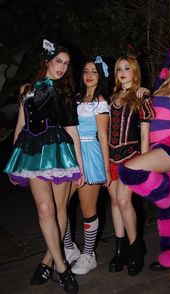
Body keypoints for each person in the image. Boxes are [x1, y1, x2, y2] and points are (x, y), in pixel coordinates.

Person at [4, 39, 84, 294]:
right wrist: (14, 163)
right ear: (47, 61)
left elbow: (72, 131)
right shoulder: (26, 89)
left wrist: (79, 167)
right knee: (45, 208)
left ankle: (47, 261)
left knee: (60, 209)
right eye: (58, 61)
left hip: (59, 150)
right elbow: (20, 124)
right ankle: (62, 267)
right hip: (32, 151)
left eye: (66, 64)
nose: (62, 67)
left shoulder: (66, 93)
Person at [118, 48, 170, 271]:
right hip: (155, 147)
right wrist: (144, 93)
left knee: (128, 171)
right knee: (169, 208)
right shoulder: (158, 88)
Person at [63, 56, 111, 275]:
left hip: (90, 154)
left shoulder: (100, 101)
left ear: (100, 76)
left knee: (87, 209)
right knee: (58, 206)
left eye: (94, 71)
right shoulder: (75, 98)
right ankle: (70, 247)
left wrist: (107, 170)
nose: (89, 75)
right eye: (86, 71)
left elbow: (102, 135)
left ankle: (89, 255)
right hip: (69, 155)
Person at [108, 55, 155, 276]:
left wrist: (145, 164)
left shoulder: (142, 98)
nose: (123, 72)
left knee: (124, 201)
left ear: (135, 71)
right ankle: (120, 250)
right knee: (114, 203)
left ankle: (136, 247)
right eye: (119, 69)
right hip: (110, 157)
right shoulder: (111, 98)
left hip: (131, 157)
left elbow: (145, 135)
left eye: (127, 68)